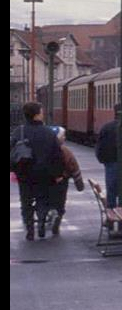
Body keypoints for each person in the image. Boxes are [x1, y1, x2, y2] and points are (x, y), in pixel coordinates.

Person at [9, 102, 62, 240]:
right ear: (37, 114)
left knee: (25, 200)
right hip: (44, 173)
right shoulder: (48, 132)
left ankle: (29, 227)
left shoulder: (18, 131)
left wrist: (14, 168)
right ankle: (42, 224)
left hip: (24, 173)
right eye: (42, 111)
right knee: (42, 199)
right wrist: (57, 174)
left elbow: (12, 151)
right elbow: (57, 154)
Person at [46, 126, 86, 236]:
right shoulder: (66, 151)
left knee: (47, 199)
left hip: (46, 181)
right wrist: (79, 185)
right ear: (59, 138)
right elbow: (74, 167)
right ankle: (58, 215)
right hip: (62, 181)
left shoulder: (43, 149)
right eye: (63, 135)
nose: (65, 137)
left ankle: (49, 214)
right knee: (60, 201)